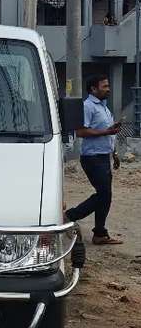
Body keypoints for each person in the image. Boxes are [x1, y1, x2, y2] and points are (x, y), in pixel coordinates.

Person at [65, 74, 122, 245]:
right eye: (104, 86)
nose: (108, 89)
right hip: (92, 158)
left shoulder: (104, 107)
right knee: (104, 195)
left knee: (106, 196)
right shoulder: (88, 106)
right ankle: (69, 216)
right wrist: (107, 131)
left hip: (104, 156)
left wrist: (114, 153)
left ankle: (100, 233)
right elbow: (80, 131)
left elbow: (109, 134)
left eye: (108, 86)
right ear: (93, 89)